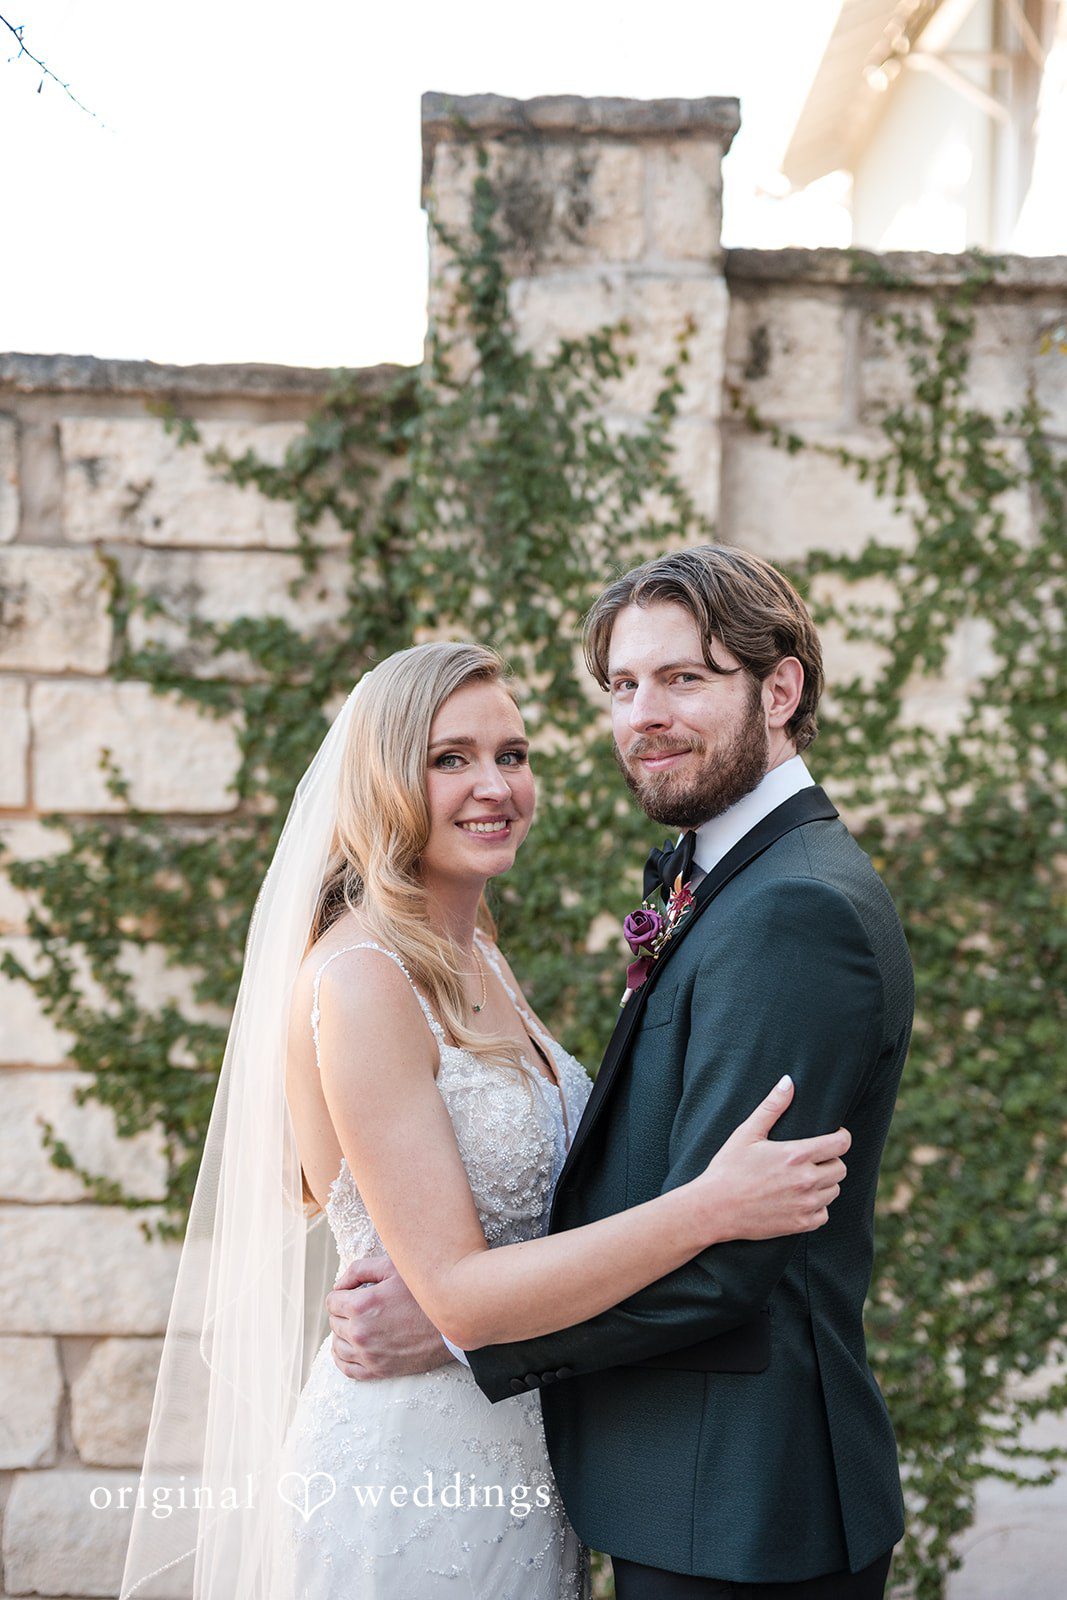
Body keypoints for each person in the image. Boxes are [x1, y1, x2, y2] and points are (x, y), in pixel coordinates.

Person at [119, 637, 850, 1600]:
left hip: (518, 1461)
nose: (493, 785)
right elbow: (461, 1292)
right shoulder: (366, 979)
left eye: (511, 754)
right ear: (385, 779)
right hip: (410, 1479)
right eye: (448, 758)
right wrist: (710, 1208)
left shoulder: (475, 956)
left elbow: (524, 1235)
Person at [330, 551, 913, 1600]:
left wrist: (466, 1330)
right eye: (622, 685)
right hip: (674, 1487)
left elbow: (724, 1257)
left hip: (740, 1504)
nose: (644, 715)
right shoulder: (720, 877)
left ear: (777, 690)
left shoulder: (794, 910)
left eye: (683, 679)